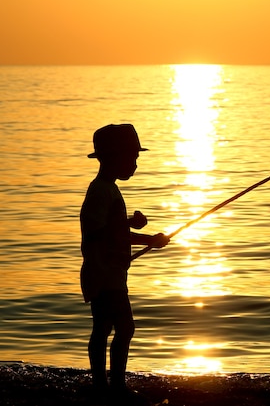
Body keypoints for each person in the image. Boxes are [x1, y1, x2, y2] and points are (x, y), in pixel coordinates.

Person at [80, 123, 169, 399]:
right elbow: (98, 232)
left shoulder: (108, 190)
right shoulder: (100, 191)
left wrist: (137, 231)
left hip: (109, 273)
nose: (134, 165)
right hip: (103, 274)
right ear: (112, 158)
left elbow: (113, 230)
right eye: (131, 158)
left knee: (105, 328)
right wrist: (144, 236)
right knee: (121, 327)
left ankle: (104, 387)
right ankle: (112, 387)